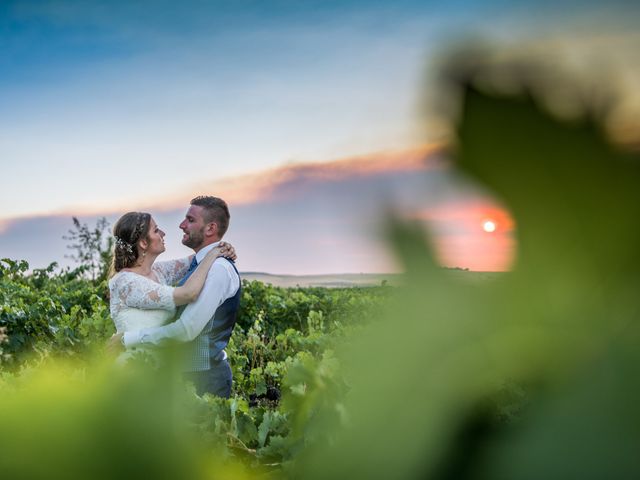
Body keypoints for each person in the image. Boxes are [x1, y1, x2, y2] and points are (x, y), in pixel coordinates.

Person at [109, 196, 242, 398]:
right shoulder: (127, 282)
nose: (180, 226)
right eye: (156, 230)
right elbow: (188, 293)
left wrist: (221, 249)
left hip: (201, 376)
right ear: (143, 243)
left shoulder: (210, 268)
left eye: (189, 220)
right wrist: (215, 252)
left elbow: (187, 329)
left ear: (210, 228)